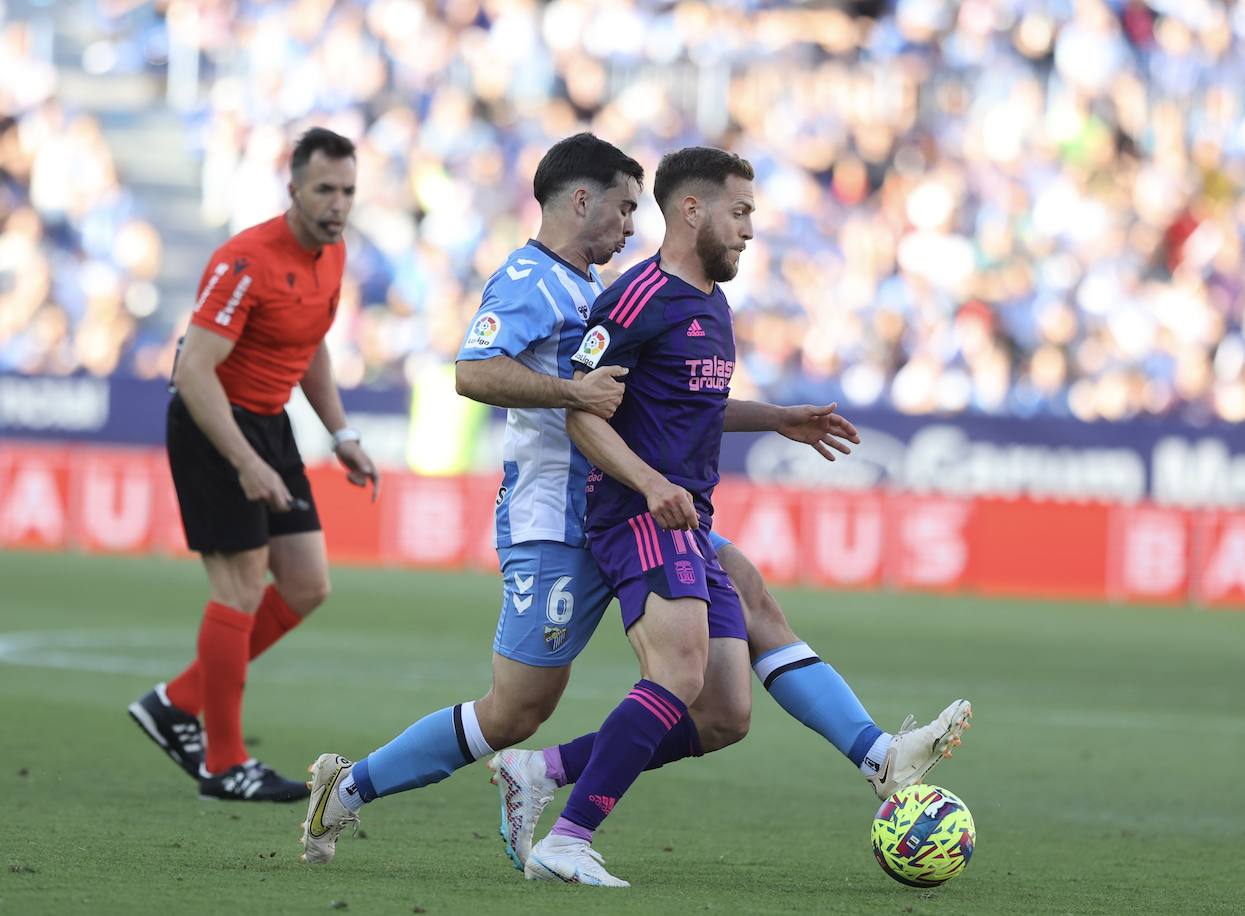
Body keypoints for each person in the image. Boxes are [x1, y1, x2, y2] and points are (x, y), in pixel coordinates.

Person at [298, 134, 966, 870]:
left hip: (631, 504)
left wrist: (774, 416)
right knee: (515, 711)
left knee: (738, 638)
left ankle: (875, 754)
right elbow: (473, 371)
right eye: (620, 207)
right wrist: (569, 393)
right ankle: (352, 788)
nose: (628, 224)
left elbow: (671, 398)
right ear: (580, 200)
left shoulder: (602, 289)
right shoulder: (530, 280)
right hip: (557, 517)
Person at [516, 146, 969, 887]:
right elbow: (581, 412)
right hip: (636, 513)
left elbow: (689, 405)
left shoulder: (710, 304)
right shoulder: (635, 300)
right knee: (681, 669)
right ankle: (567, 838)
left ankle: (541, 770)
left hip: (684, 518)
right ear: (692, 210)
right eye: (741, 212)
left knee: (724, 713)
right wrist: (648, 482)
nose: (751, 230)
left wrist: (777, 417)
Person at [126, 127, 379, 803]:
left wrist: (341, 431)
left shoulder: (333, 254)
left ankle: (174, 703)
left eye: (347, 191)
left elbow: (312, 347)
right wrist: (242, 461)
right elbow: (194, 368)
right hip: (213, 425)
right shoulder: (245, 262)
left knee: (305, 584)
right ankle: (224, 763)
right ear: (292, 188)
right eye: (324, 189)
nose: (337, 203)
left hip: (268, 424)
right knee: (238, 589)